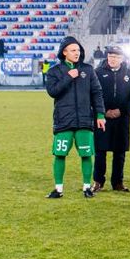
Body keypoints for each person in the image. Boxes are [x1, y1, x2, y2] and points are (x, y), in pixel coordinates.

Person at [44, 36, 106, 199]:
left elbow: (97, 93)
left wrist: (100, 114)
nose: (77, 53)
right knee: (60, 154)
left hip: (85, 120)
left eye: (78, 50)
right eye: (73, 50)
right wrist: (68, 77)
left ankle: (87, 187)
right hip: (64, 120)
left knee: (86, 154)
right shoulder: (54, 71)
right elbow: (52, 92)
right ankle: (58, 189)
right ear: (64, 52)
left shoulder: (88, 69)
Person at [92, 45, 130, 192]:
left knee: (120, 152)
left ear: (122, 58)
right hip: (102, 118)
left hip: (122, 119)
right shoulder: (97, 73)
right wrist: (103, 111)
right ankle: (98, 181)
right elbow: (90, 95)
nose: (113, 59)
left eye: (116, 56)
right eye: (111, 56)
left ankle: (117, 182)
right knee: (100, 151)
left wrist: (121, 111)